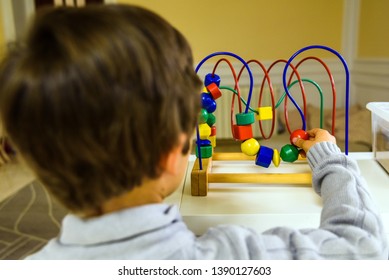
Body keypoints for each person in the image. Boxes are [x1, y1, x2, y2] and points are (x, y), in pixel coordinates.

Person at [0, 4, 387, 260]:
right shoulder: (233, 257)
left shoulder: (28, 266)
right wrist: (331, 160)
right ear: (173, 155)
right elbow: (363, 246)